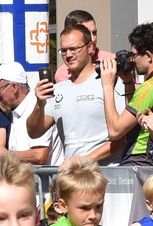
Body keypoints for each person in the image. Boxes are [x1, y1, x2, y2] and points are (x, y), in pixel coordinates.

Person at [24, 21, 126, 165]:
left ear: (90, 47)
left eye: (74, 49)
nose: (68, 55)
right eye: (63, 50)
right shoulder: (57, 90)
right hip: (72, 177)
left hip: (104, 178)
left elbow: (121, 138)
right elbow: (34, 133)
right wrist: (39, 103)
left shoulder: (110, 82)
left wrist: (85, 160)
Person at [117, 23, 153, 162]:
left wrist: (107, 85)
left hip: (140, 156)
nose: (131, 59)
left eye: (134, 54)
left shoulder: (151, 85)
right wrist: (128, 82)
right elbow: (137, 116)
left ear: (148, 56)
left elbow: (116, 130)